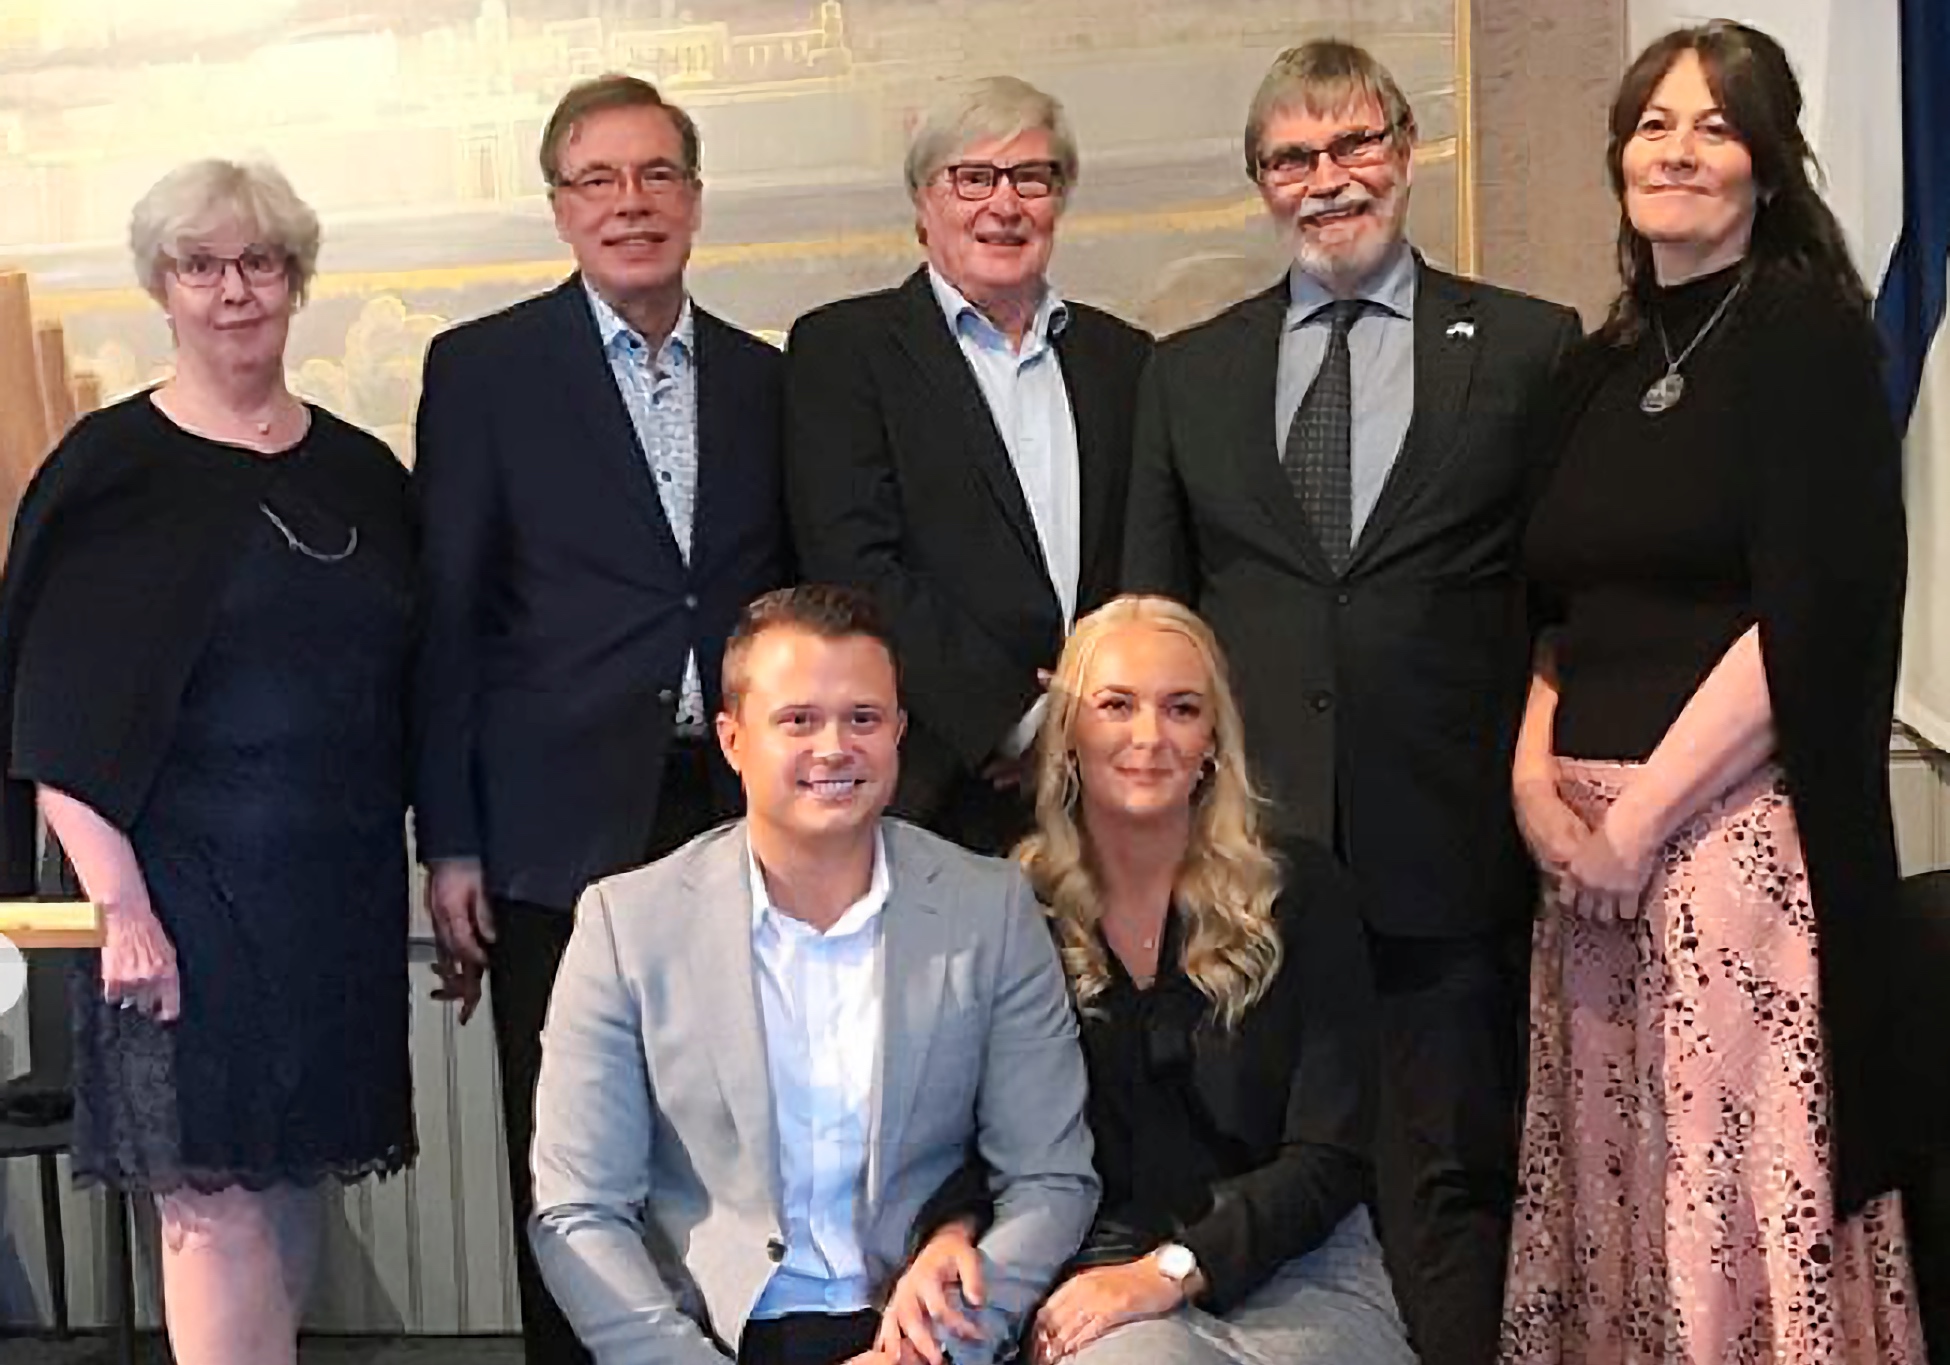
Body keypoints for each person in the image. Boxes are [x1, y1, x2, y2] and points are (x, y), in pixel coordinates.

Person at [1120, 39, 1579, 1363]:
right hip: (1245, 867)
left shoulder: (1528, 347)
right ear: (1261, 183)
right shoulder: (1187, 372)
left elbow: (1557, 601)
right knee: (1260, 1181)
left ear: (1405, 150)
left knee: (1450, 1187)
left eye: (1352, 144)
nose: (1326, 179)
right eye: (1291, 158)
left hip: (1449, 852)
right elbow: (1152, 621)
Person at [1503, 22, 1926, 1362]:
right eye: (1652, 125)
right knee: (1614, 1188)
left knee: (1718, 1194)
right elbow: (1553, 613)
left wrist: (1638, 825)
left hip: (1730, 845)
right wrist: (1534, 787)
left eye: (1713, 126)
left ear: (1766, 164)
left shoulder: (1806, 338)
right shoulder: (1594, 363)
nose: (1676, 151)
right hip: (1582, 859)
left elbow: (1803, 614)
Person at [0, 159, 415, 1364]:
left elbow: (414, 683)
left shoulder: (361, 472)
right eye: (201, 265)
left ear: (296, 279)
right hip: (180, 907)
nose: (234, 290)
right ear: (162, 287)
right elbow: (52, 715)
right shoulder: (112, 470)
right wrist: (120, 910)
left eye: (260, 262)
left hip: (331, 897)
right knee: (213, 1208)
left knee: (286, 1196)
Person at [411, 74, 791, 1362]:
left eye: (656, 175)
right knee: (570, 1156)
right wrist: (451, 839)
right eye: (598, 180)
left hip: (735, 820)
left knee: (732, 1153)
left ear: (695, 197)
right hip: (553, 829)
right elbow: (448, 622)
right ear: (561, 208)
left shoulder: (765, 379)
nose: (631, 203)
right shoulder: (484, 371)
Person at [526, 584, 1097, 1365]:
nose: (834, 747)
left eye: (863, 718)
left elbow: (1051, 1180)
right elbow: (579, 1210)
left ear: (898, 731)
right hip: (712, 1337)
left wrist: (933, 1348)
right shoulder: (626, 926)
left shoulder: (990, 909)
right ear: (732, 739)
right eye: (798, 719)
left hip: (919, 1333)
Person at [881, 596, 1411, 1365]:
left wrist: (1170, 1271)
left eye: (1182, 708)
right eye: (1117, 705)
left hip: (1298, 1263)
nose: (1150, 735)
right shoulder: (1010, 905)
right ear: (1068, 734)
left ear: (1213, 740)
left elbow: (1331, 1152)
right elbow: (970, 1125)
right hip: (1093, 1270)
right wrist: (950, 1231)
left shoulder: (1301, 891)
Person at [785, 76, 1152, 855]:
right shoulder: (844, 352)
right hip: (934, 790)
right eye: (974, 178)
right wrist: (1022, 720)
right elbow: (854, 565)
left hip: (1112, 789)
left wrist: (1103, 717)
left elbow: (1149, 557)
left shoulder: (1125, 360)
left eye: (1033, 178)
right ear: (924, 203)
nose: (1005, 204)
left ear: (1060, 200)